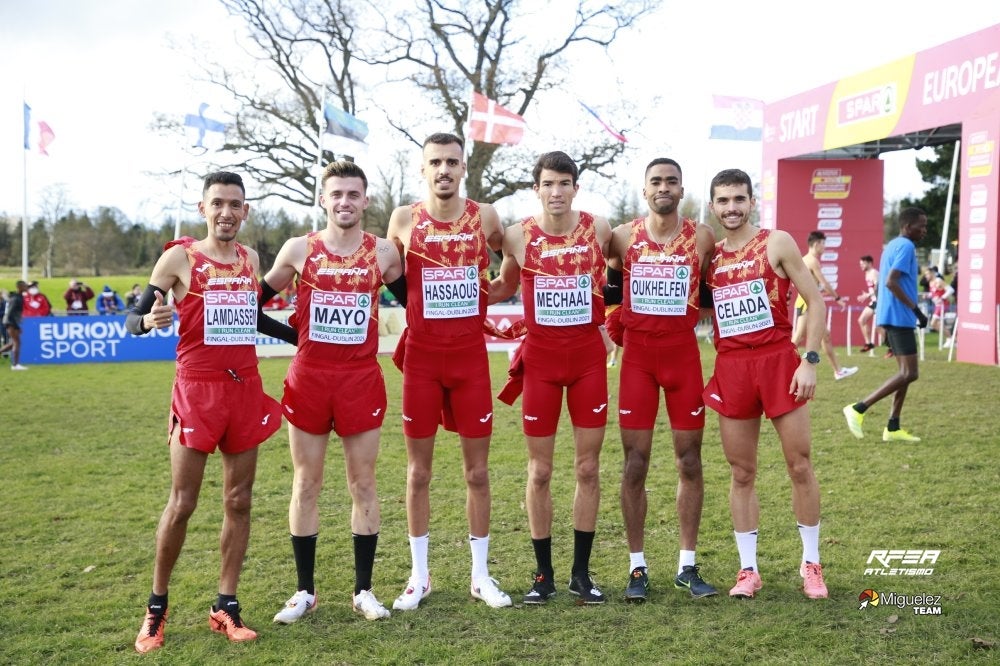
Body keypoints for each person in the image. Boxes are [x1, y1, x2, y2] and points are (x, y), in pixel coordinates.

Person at [126, 171, 283, 653]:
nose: (227, 212)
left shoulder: (251, 259)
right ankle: (156, 609)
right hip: (197, 392)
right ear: (203, 208)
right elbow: (134, 316)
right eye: (218, 203)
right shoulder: (179, 257)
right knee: (183, 503)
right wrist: (147, 320)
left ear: (246, 211)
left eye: (235, 204)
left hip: (244, 389)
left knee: (239, 500)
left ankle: (226, 605)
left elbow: (250, 316)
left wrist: (302, 335)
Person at [264, 161, 406, 624]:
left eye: (353, 194)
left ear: (366, 200)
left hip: (360, 380)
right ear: (323, 199)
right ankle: (304, 591)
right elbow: (248, 304)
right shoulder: (298, 249)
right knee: (306, 482)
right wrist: (293, 337)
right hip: (309, 379)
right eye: (336, 194)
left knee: (363, 483)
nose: (344, 202)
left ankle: (363, 590)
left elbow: (417, 305)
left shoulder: (384, 253)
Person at [385, 133, 511, 611]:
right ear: (423, 169)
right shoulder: (403, 219)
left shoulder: (485, 217)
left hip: (469, 361)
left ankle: (481, 576)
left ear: (464, 169)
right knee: (418, 473)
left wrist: (496, 291)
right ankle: (420, 577)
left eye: (451, 162)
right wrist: (419, 305)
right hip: (421, 358)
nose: (443, 169)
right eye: (435, 161)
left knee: (477, 473)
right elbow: (391, 274)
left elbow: (513, 257)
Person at [490, 151, 612, 605]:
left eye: (564, 183)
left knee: (587, 468)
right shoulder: (517, 236)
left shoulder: (599, 230)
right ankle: (543, 575)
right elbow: (502, 285)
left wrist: (612, 324)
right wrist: (450, 295)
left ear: (575, 188)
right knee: (539, 470)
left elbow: (632, 268)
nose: (556, 191)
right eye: (548, 184)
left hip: (586, 364)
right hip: (540, 362)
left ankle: (582, 573)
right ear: (536, 189)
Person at [702, 168, 829, 600]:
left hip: (778, 362)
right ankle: (748, 570)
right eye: (723, 200)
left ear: (751, 201)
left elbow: (814, 300)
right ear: (713, 205)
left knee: (799, 464)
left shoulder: (776, 242)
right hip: (733, 367)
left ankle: (811, 564)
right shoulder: (710, 256)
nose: (731, 208)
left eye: (739, 199)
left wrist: (809, 361)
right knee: (742, 472)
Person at [603, 157, 718, 602]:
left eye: (671, 181)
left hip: (682, 358)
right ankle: (637, 568)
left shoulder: (701, 236)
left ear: (682, 188)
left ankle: (687, 566)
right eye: (656, 181)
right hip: (639, 363)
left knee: (690, 460)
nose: (664, 187)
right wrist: (613, 331)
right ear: (644, 189)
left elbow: (710, 288)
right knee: (635, 464)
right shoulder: (624, 236)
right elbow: (610, 284)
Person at [843, 207, 929, 443]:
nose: (924, 230)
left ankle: (893, 426)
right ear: (907, 226)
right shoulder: (907, 246)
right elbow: (891, 282)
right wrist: (916, 309)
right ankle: (859, 408)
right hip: (899, 316)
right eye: (921, 225)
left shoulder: (892, 245)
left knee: (905, 374)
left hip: (892, 315)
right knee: (910, 372)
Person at [792, 231, 857, 381]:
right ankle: (776, 367)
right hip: (805, 303)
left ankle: (838, 371)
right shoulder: (813, 261)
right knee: (798, 338)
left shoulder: (804, 259)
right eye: (823, 244)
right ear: (816, 244)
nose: (825, 247)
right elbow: (825, 283)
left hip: (807, 302)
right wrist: (838, 298)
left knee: (825, 336)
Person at [1, 281, 29, 370]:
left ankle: (15, 364)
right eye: (25, 286)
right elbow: (10, 312)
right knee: (17, 342)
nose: (27, 288)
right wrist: (16, 325)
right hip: (11, 322)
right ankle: (15, 365)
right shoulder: (16, 298)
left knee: (13, 343)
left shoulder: (18, 297)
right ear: (19, 287)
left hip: (11, 322)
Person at [855, 255, 878, 352]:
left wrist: (867, 295)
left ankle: (891, 347)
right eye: (860, 264)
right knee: (861, 320)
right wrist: (868, 295)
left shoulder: (874, 273)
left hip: (880, 302)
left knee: (881, 327)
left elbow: (879, 288)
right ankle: (869, 343)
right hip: (873, 301)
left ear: (869, 263)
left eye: (863, 264)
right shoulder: (867, 273)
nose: (861, 266)